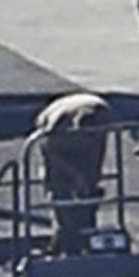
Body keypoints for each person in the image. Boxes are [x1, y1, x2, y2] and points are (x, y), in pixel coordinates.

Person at [33, 89, 117, 253]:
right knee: (58, 186)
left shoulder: (104, 116)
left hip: (88, 105)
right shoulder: (58, 126)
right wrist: (74, 175)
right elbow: (50, 152)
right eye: (86, 135)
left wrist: (91, 180)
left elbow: (99, 149)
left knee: (89, 187)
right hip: (53, 127)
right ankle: (63, 234)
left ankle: (87, 233)